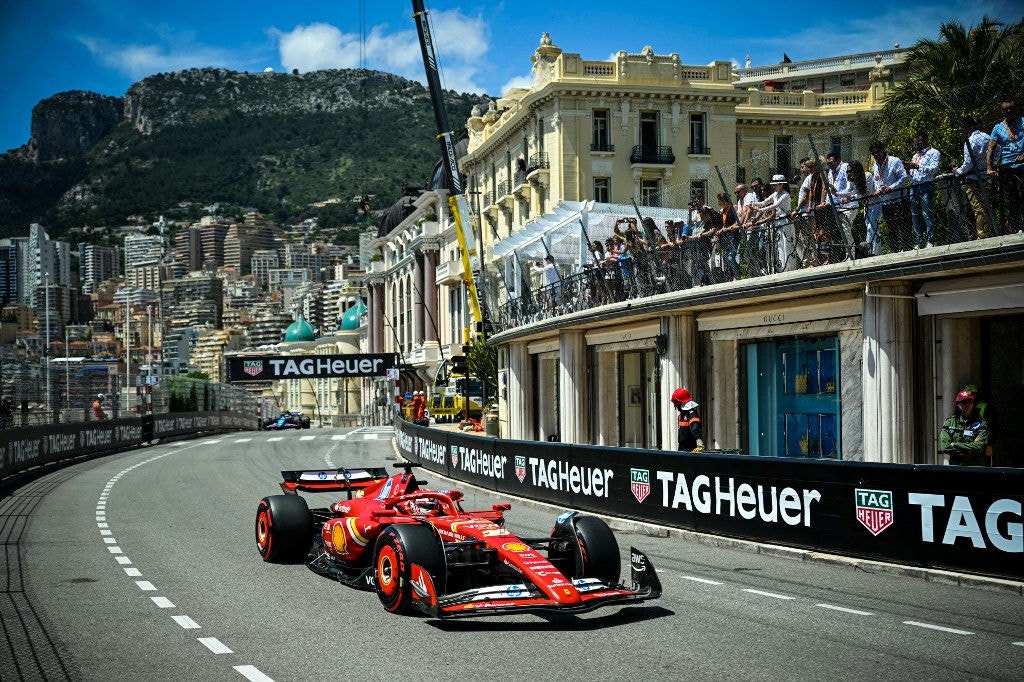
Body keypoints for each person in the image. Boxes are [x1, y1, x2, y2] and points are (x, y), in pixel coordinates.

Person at [953, 116, 994, 240]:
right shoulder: (987, 137)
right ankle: (988, 231)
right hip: (986, 176)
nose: (961, 131)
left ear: (969, 127)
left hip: (973, 178)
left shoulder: (969, 141)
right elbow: (997, 151)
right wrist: (990, 166)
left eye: (963, 128)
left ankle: (983, 235)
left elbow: (968, 163)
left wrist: (958, 171)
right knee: (985, 205)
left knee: (978, 208)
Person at [987, 99, 1024, 234]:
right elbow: (990, 148)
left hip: (1022, 165)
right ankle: (1018, 227)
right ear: (1001, 111)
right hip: (1008, 167)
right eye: (1005, 109)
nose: (1009, 111)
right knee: (1013, 198)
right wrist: (990, 168)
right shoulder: (997, 128)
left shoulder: (1023, 122)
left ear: (1016, 109)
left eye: (1011, 108)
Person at [869, 140, 911, 252]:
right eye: (873, 154)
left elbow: (903, 177)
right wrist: (878, 190)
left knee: (904, 225)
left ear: (883, 150)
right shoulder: (875, 166)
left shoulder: (894, 161)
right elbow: (877, 180)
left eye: (877, 152)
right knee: (892, 227)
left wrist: (891, 187)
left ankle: (907, 248)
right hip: (885, 201)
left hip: (899, 199)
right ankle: (894, 250)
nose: (876, 155)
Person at [906, 131, 941, 248]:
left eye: (918, 143)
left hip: (926, 185)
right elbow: (912, 174)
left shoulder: (933, 152)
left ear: (925, 141)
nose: (917, 146)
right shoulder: (915, 156)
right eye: (915, 144)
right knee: (915, 214)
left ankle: (931, 240)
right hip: (914, 186)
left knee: (927, 213)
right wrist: (907, 170)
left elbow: (934, 169)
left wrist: (917, 166)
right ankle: (919, 241)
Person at [939, 388, 989, 466]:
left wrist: (955, 445)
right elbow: (945, 447)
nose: (967, 404)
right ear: (958, 404)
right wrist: (971, 447)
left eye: (970, 401)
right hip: (956, 466)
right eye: (964, 401)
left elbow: (979, 447)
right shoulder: (949, 423)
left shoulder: (981, 422)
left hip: (975, 467)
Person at [671, 387, 704, 452]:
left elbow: (695, 428)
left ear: (680, 402)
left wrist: (699, 440)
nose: (675, 405)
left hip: (690, 449)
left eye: (676, 403)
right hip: (682, 448)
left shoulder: (691, 413)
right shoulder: (682, 415)